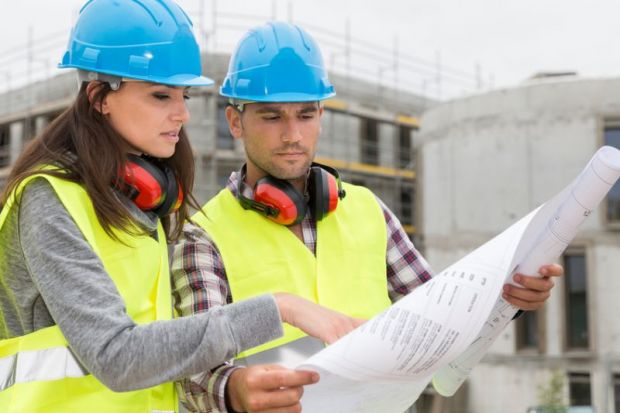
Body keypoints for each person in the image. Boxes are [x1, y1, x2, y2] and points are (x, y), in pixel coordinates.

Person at [172, 21, 563, 413]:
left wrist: (509, 299)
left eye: (306, 116)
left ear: (322, 115)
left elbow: (441, 320)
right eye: (272, 117)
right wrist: (235, 389)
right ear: (235, 122)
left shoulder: (366, 209)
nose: (293, 135)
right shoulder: (203, 236)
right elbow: (195, 373)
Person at [0, 4, 363, 413]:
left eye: (183, 95)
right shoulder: (48, 200)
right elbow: (116, 357)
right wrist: (281, 307)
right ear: (99, 96)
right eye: (160, 95)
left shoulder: (139, 204)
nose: (182, 114)